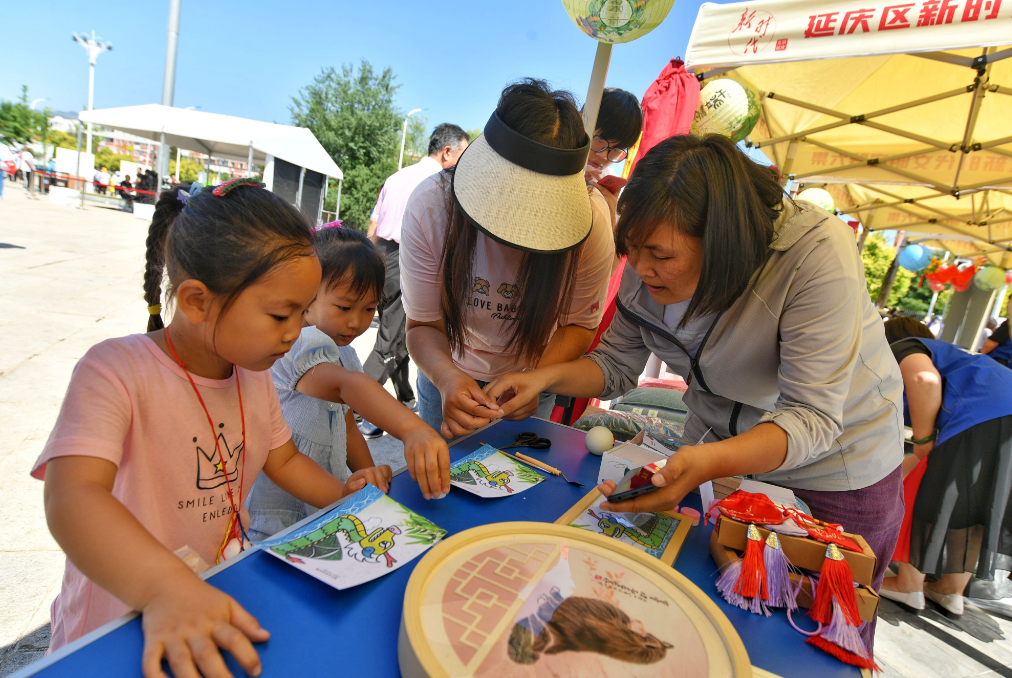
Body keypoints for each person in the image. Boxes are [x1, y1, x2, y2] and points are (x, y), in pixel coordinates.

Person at [485, 134, 904, 649]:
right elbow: (615, 364)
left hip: (837, 470)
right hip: (720, 456)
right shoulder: (647, 266)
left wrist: (706, 463)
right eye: (631, 250)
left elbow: (812, 417)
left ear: (722, 241)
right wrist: (544, 377)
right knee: (717, 620)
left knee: (811, 639)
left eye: (659, 255)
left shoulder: (812, 252)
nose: (640, 269)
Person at [31, 179, 392, 676]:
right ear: (198, 301)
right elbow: (71, 499)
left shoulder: (253, 376)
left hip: (206, 595)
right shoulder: (114, 371)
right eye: (281, 314)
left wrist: (344, 497)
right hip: (119, 615)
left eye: (303, 312)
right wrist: (162, 586)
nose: (294, 333)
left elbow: (282, 459)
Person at [402, 79, 615, 439]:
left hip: (533, 376)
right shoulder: (431, 206)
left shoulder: (591, 225)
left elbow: (579, 325)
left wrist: (535, 379)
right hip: (446, 370)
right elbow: (422, 324)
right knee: (437, 484)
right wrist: (448, 377)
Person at [246, 225, 451, 540]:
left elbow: (349, 429)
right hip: (279, 512)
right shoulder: (300, 343)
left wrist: (371, 484)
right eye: (344, 307)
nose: (357, 321)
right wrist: (414, 429)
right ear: (307, 295)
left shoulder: (346, 353)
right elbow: (346, 386)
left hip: (326, 497)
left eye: (369, 308)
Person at [879, 317, 1012, 616]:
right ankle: (951, 591)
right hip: (1001, 414)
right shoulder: (954, 356)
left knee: (932, 495)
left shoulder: (906, 345)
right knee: (981, 506)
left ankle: (909, 585)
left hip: (981, 415)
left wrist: (923, 439)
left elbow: (923, 379)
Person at [359, 123, 471, 439]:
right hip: (409, 261)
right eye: (464, 152)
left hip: (378, 256)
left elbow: (374, 222)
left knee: (399, 337)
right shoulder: (437, 184)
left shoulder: (397, 177)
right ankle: (357, 408)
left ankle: (406, 398)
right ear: (448, 151)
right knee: (392, 340)